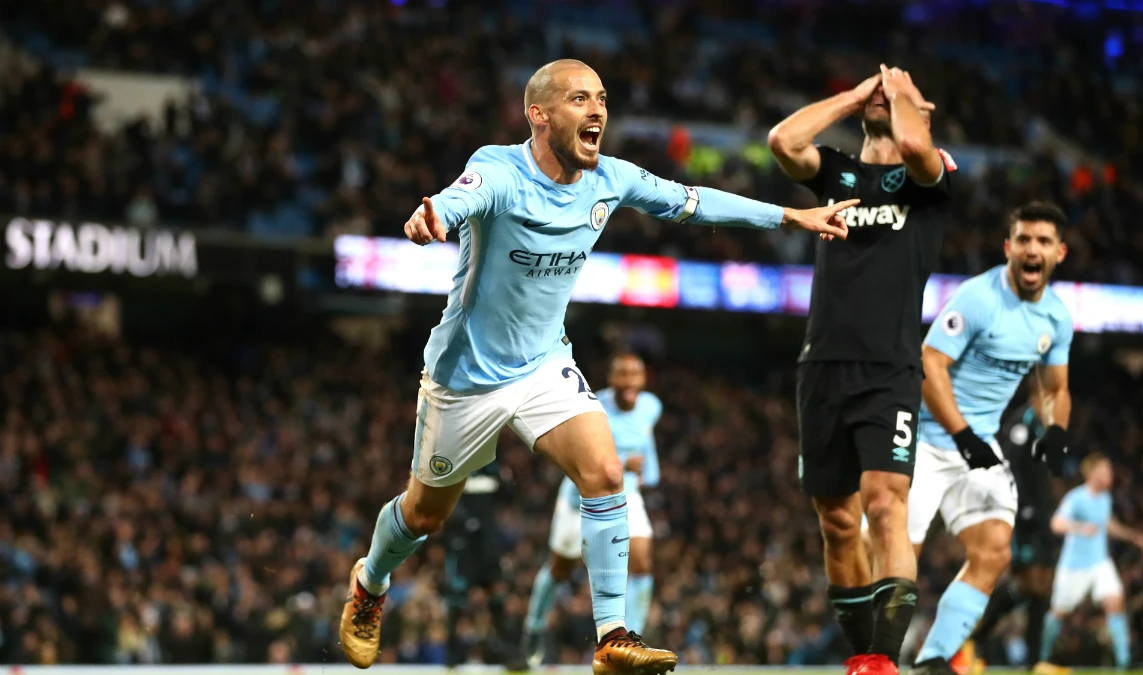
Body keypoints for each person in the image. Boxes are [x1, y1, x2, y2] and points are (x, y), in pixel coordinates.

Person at [338, 58, 855, 674]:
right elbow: (456, 200)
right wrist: (433, 220)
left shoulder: (610, 178)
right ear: (539, 114)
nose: (598, 111)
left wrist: (791, 216)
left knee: (606, 473)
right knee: (424, 513)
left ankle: (611, 636)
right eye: (580, 99)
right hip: (466, 375)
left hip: (543, 366)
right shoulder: (500, 169)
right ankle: (370, 584)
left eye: (602, 99)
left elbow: (693, 202)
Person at [768, 65, 952, 675]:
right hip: (820, 364)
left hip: (889, 367)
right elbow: (782, 143)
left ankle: (885, 658)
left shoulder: (927, 179)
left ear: (919, 113)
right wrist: (852, 96)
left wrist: (902, 94)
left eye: (901, 98)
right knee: (838, 520)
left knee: (884, 504)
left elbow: (918, 146)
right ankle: (861, 659)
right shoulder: (839, 174)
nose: (886, 94)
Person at [906, 202, 1075, 675]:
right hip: (923, 437)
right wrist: (961, 434)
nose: (1032, 249)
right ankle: (875, 656)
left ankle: (933, 659)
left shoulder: (1056, 319)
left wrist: (1056, 430)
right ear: (1009, 247)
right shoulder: (977, 298)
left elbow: (1054, 388)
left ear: (1059, 253)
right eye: (1023, 239)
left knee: (994, 551)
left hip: (977, 445)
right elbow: (930, 363)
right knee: (901, 557)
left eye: (1043, 241)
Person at [517, 353, 662, 669]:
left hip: (627, 495)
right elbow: (583, 458)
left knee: (641, 561)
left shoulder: (651, 406)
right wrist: (624, 465)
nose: (629, 380)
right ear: (611, 380)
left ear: (644, 379)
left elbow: (645, 441)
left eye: (635, 373)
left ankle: (630, 644)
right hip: (582, 497)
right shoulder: (593, 408)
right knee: (560, 569)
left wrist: (650, 472)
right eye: (621, 374)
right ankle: (534, 628)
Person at [957, 381, 1058, 673]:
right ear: (1037, 394)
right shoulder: (1021, 424)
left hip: (1041, 516)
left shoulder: (1043, 427)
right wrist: (1023, 505)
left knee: (1040, 588)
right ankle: (975, 642)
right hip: (1024, 515)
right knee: (1030, 584)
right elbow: (1009, 466)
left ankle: (1035, 662)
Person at [1035, 454, 1143, 674]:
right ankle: (1042, 657)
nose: (1110, 475)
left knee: (1115, 602)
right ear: (1092, 474)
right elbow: (1056, 524)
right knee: (1059, 613)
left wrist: (1134, 538)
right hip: (1074, 567)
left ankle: (1123, 663)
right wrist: (1081, 528)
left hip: (1100, 563)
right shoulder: (1076, 498)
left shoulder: (1105, 499)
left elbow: (1108, 525)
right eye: (1106, 471)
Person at [442, 460, 509, 667]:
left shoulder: (493, 464)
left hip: (488, 541)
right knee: (458, 597)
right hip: (464, 542)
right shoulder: (455, 461)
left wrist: (505, 477)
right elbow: (443, 497)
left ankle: (509, 651)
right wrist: (463, 520)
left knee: (496, 592)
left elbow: (507, 496)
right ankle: (452, 654)